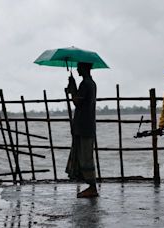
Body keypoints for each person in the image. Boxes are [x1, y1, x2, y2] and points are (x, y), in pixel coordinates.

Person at [65, 62, 98, 198]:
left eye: (79, 67)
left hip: (84, 126)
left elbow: (77, 101)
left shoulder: (86, 84)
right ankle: (90, 186)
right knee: (83, 155)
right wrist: (72, 88)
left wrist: (72, 88)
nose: (77, 69)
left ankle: (92, 187)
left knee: (86, 157)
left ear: (84, 68)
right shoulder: (91, 83)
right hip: (84, 125)